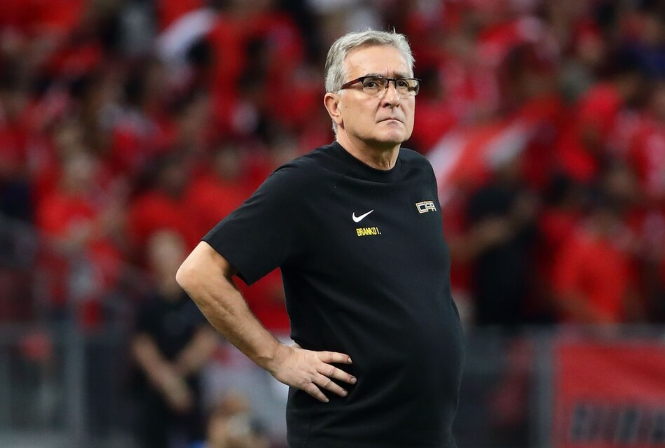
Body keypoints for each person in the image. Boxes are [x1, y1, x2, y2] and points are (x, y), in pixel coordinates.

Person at [176, 29, 465, 448]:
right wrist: (277, 357)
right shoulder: (304, 186)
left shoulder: (420, 173)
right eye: (371, 84)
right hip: (346, 435)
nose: (392, 97)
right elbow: (199, 272)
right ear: (335, 106)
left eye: (403, 83)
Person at [131, 230, 218, 448]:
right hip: (155, 389)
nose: (164, 260)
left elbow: (206, 341)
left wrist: (177, 376)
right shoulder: (147, 302)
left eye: (169, 254)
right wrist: (167, 381)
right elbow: (142, 345)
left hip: (191, 387)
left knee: (196, 436)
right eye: (159, 255)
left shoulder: (197, 298)